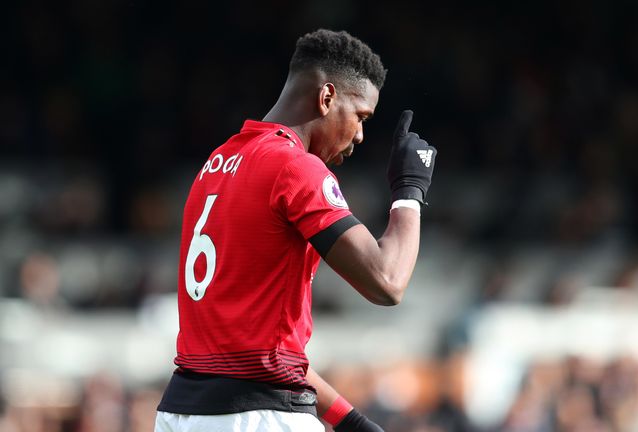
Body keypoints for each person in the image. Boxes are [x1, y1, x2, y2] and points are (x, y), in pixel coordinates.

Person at [154, 29, 437, 432]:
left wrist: (352, 422)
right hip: (256, 417)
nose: (359, 135)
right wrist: (409, 192)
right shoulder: (294, 167)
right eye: (360, 116)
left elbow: (258, 352)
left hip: (181, 413)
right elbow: (387, 281)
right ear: (326, 98)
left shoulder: (216, 164)